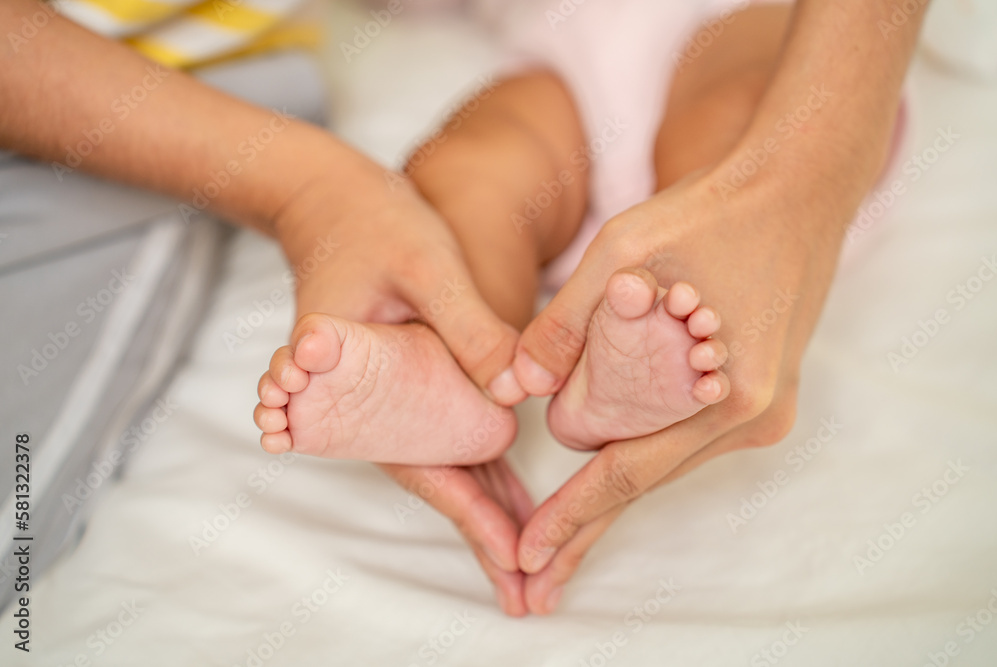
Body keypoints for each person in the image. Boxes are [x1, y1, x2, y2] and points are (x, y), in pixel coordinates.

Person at [1, 0, 927, 619]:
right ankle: (450, 368)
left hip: (764, 44)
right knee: (466, 174)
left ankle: (647, 340)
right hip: (558, 58)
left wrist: (797, 176)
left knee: (725, 117)